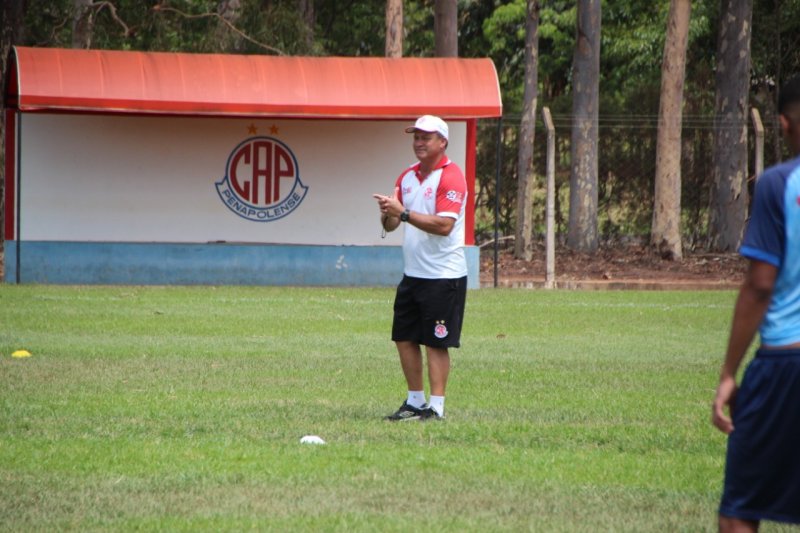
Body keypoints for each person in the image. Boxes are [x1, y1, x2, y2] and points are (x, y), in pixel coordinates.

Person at [712, 74, 800, 532]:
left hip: (787, 360)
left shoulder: (780, 184)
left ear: (784, 125)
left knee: (740, 510)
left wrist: (729, 371)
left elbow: (760, 285)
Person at [372, 115, 468, 421]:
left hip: (443, 276)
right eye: (416, 137)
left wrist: (403, 214)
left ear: (443, 142)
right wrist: (388, 212)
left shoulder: (452, 177)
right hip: (413, 275)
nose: (419, 142)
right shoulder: (407, 177)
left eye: (426, 137)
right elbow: (391, 223)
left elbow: (444, 225)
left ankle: (436, 407)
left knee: (436, 341)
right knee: (405, 337)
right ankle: (415, 401)